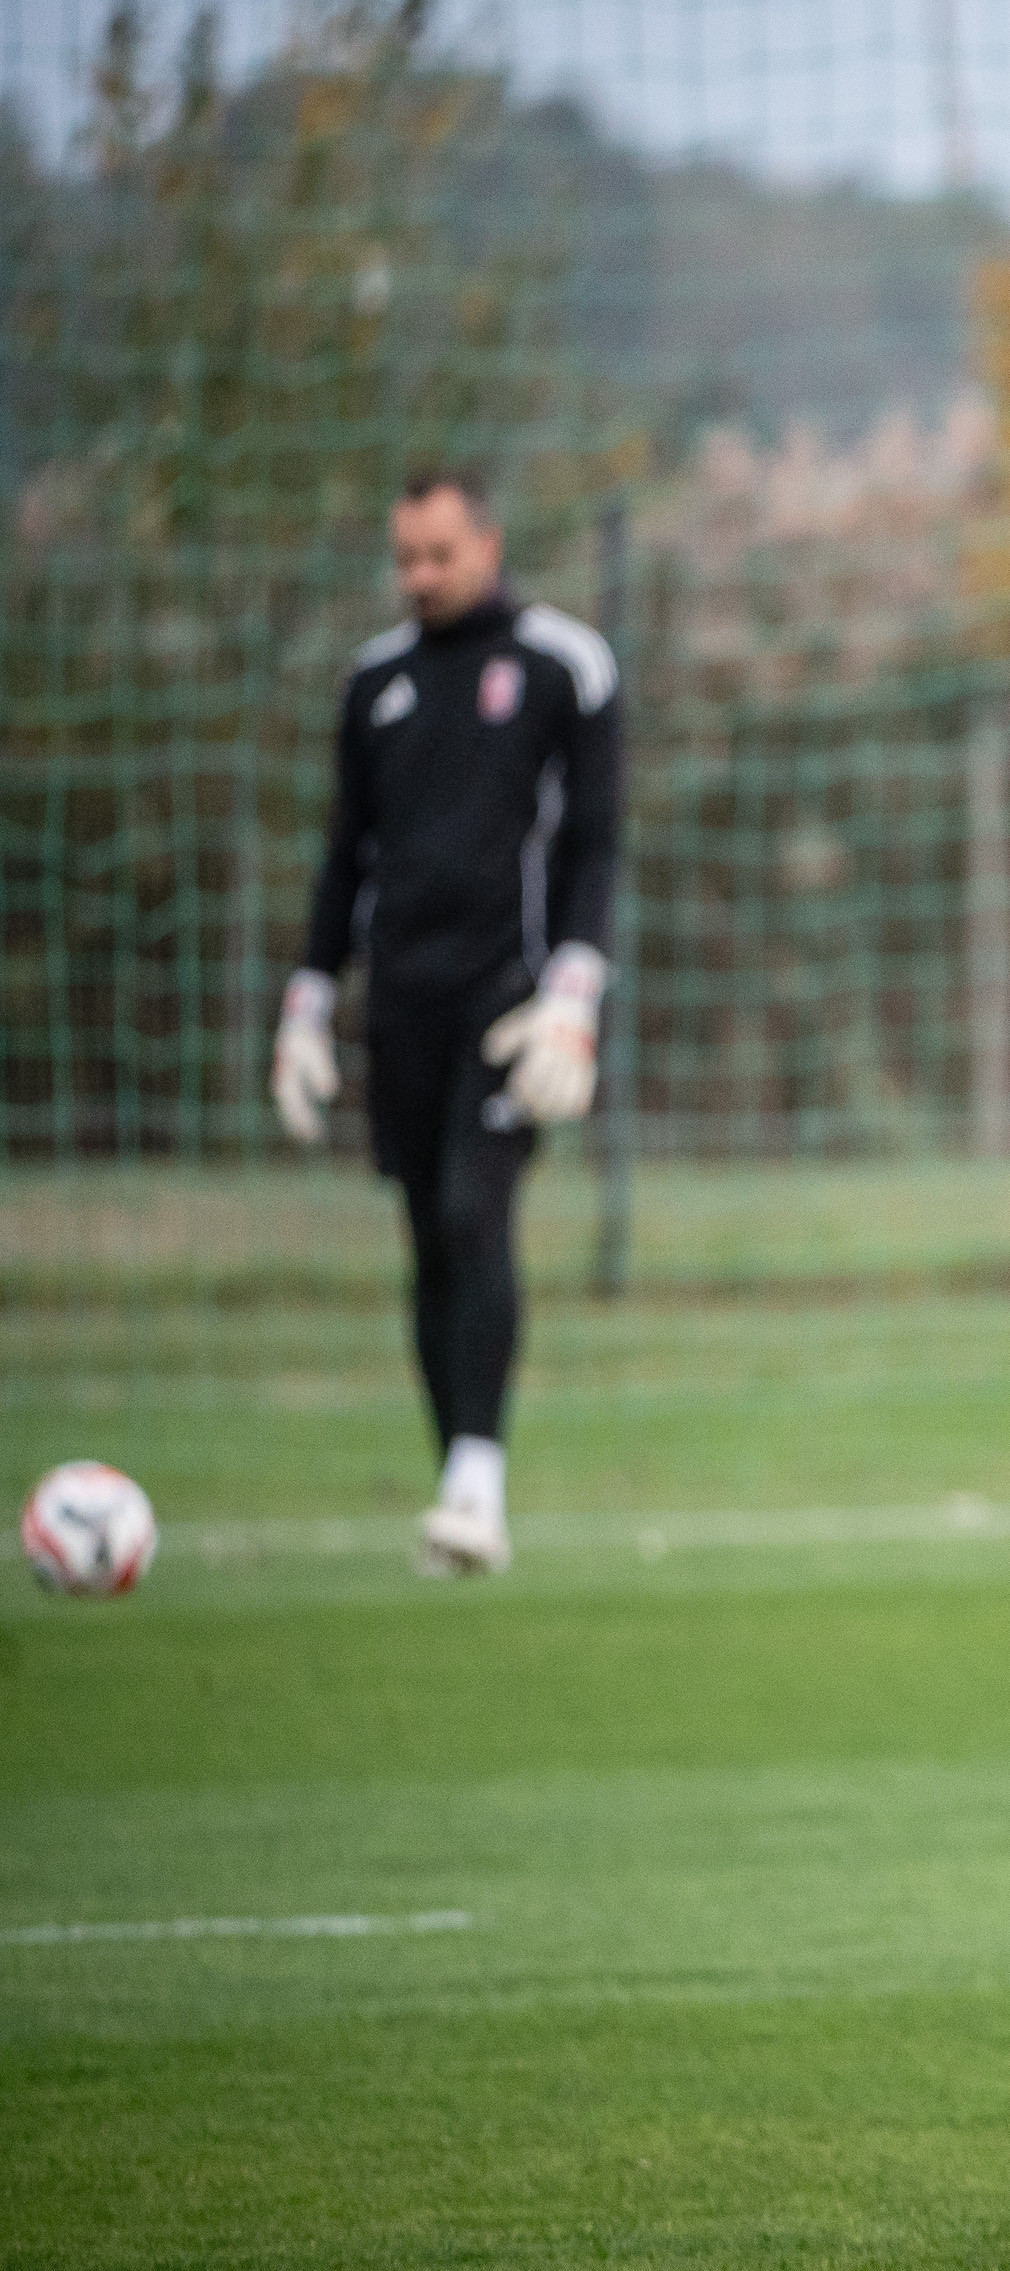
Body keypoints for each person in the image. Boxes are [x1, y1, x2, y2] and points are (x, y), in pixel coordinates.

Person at [270, 470, 621, 1578]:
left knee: (478, 1211)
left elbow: (595, 843)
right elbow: (346, 856)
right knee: (428, 1236)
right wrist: (309, 999)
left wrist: (574, 994)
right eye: (405, 558)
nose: (419, 576)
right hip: (402, 1006)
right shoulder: (374, 682)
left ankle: (478, 1481)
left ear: (488, 544)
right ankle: (456, 1487)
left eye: (439, 555)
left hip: (510, 1003)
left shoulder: (566, 665)